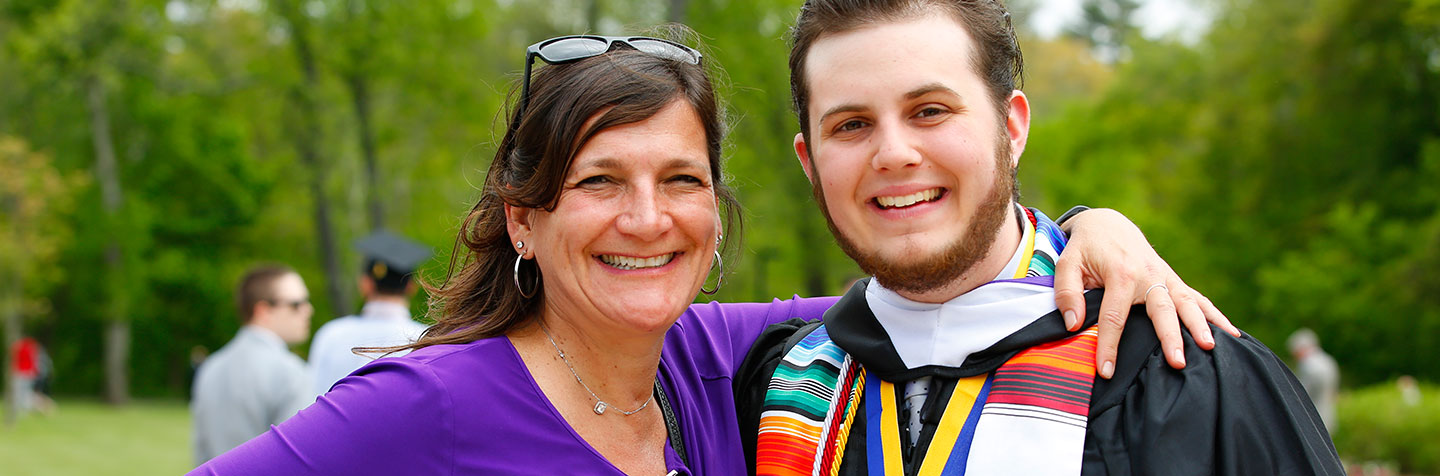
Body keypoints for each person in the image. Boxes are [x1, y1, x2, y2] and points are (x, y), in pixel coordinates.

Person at [193, 30, 1229, 475]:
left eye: (681, 182)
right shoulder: (431, 400)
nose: (647, 218)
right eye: (600, 182)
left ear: (715, 215)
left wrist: (1089, 229)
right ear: (524, 218)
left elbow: (933, 269)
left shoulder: (729, 359)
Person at [736, 1, 1344, 474]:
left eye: (930, 111)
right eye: (851, 125)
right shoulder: (775, 387)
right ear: (809, 161)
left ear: (1012, 127)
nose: (893, 154)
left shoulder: (1182, 374)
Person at [191, 265, 315, 465]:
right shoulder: (291, 371)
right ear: (263, 311)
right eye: (296, 304)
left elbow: (201, 452)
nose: (308, 310)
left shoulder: (211, 367)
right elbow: (297, 460)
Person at [309, 230, 432, 396]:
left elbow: (311, 393)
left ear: (365, 284)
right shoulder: (425, 339)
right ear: (411, 287)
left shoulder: (331, 334)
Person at [1289, 327, 1340, 433]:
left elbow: (1302, 393)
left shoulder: (1308, 365)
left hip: (1312, 418)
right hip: (1328, 413)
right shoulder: (1328, 360)